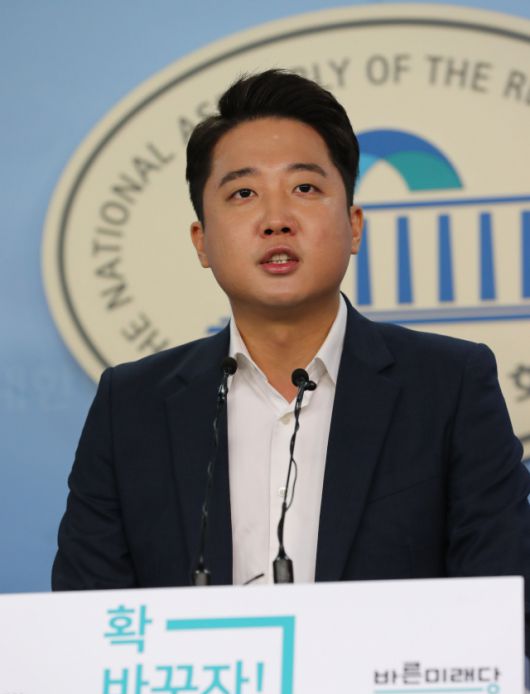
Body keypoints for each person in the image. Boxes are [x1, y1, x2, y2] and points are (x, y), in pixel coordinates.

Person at [52, 70, 530, 646]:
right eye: (243, 193)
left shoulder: (449, 385)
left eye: (304, 188)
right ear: (202, 242)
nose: (276, 218)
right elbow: (85, 625)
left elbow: (503, 602)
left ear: (353, 225)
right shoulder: (131, 405)